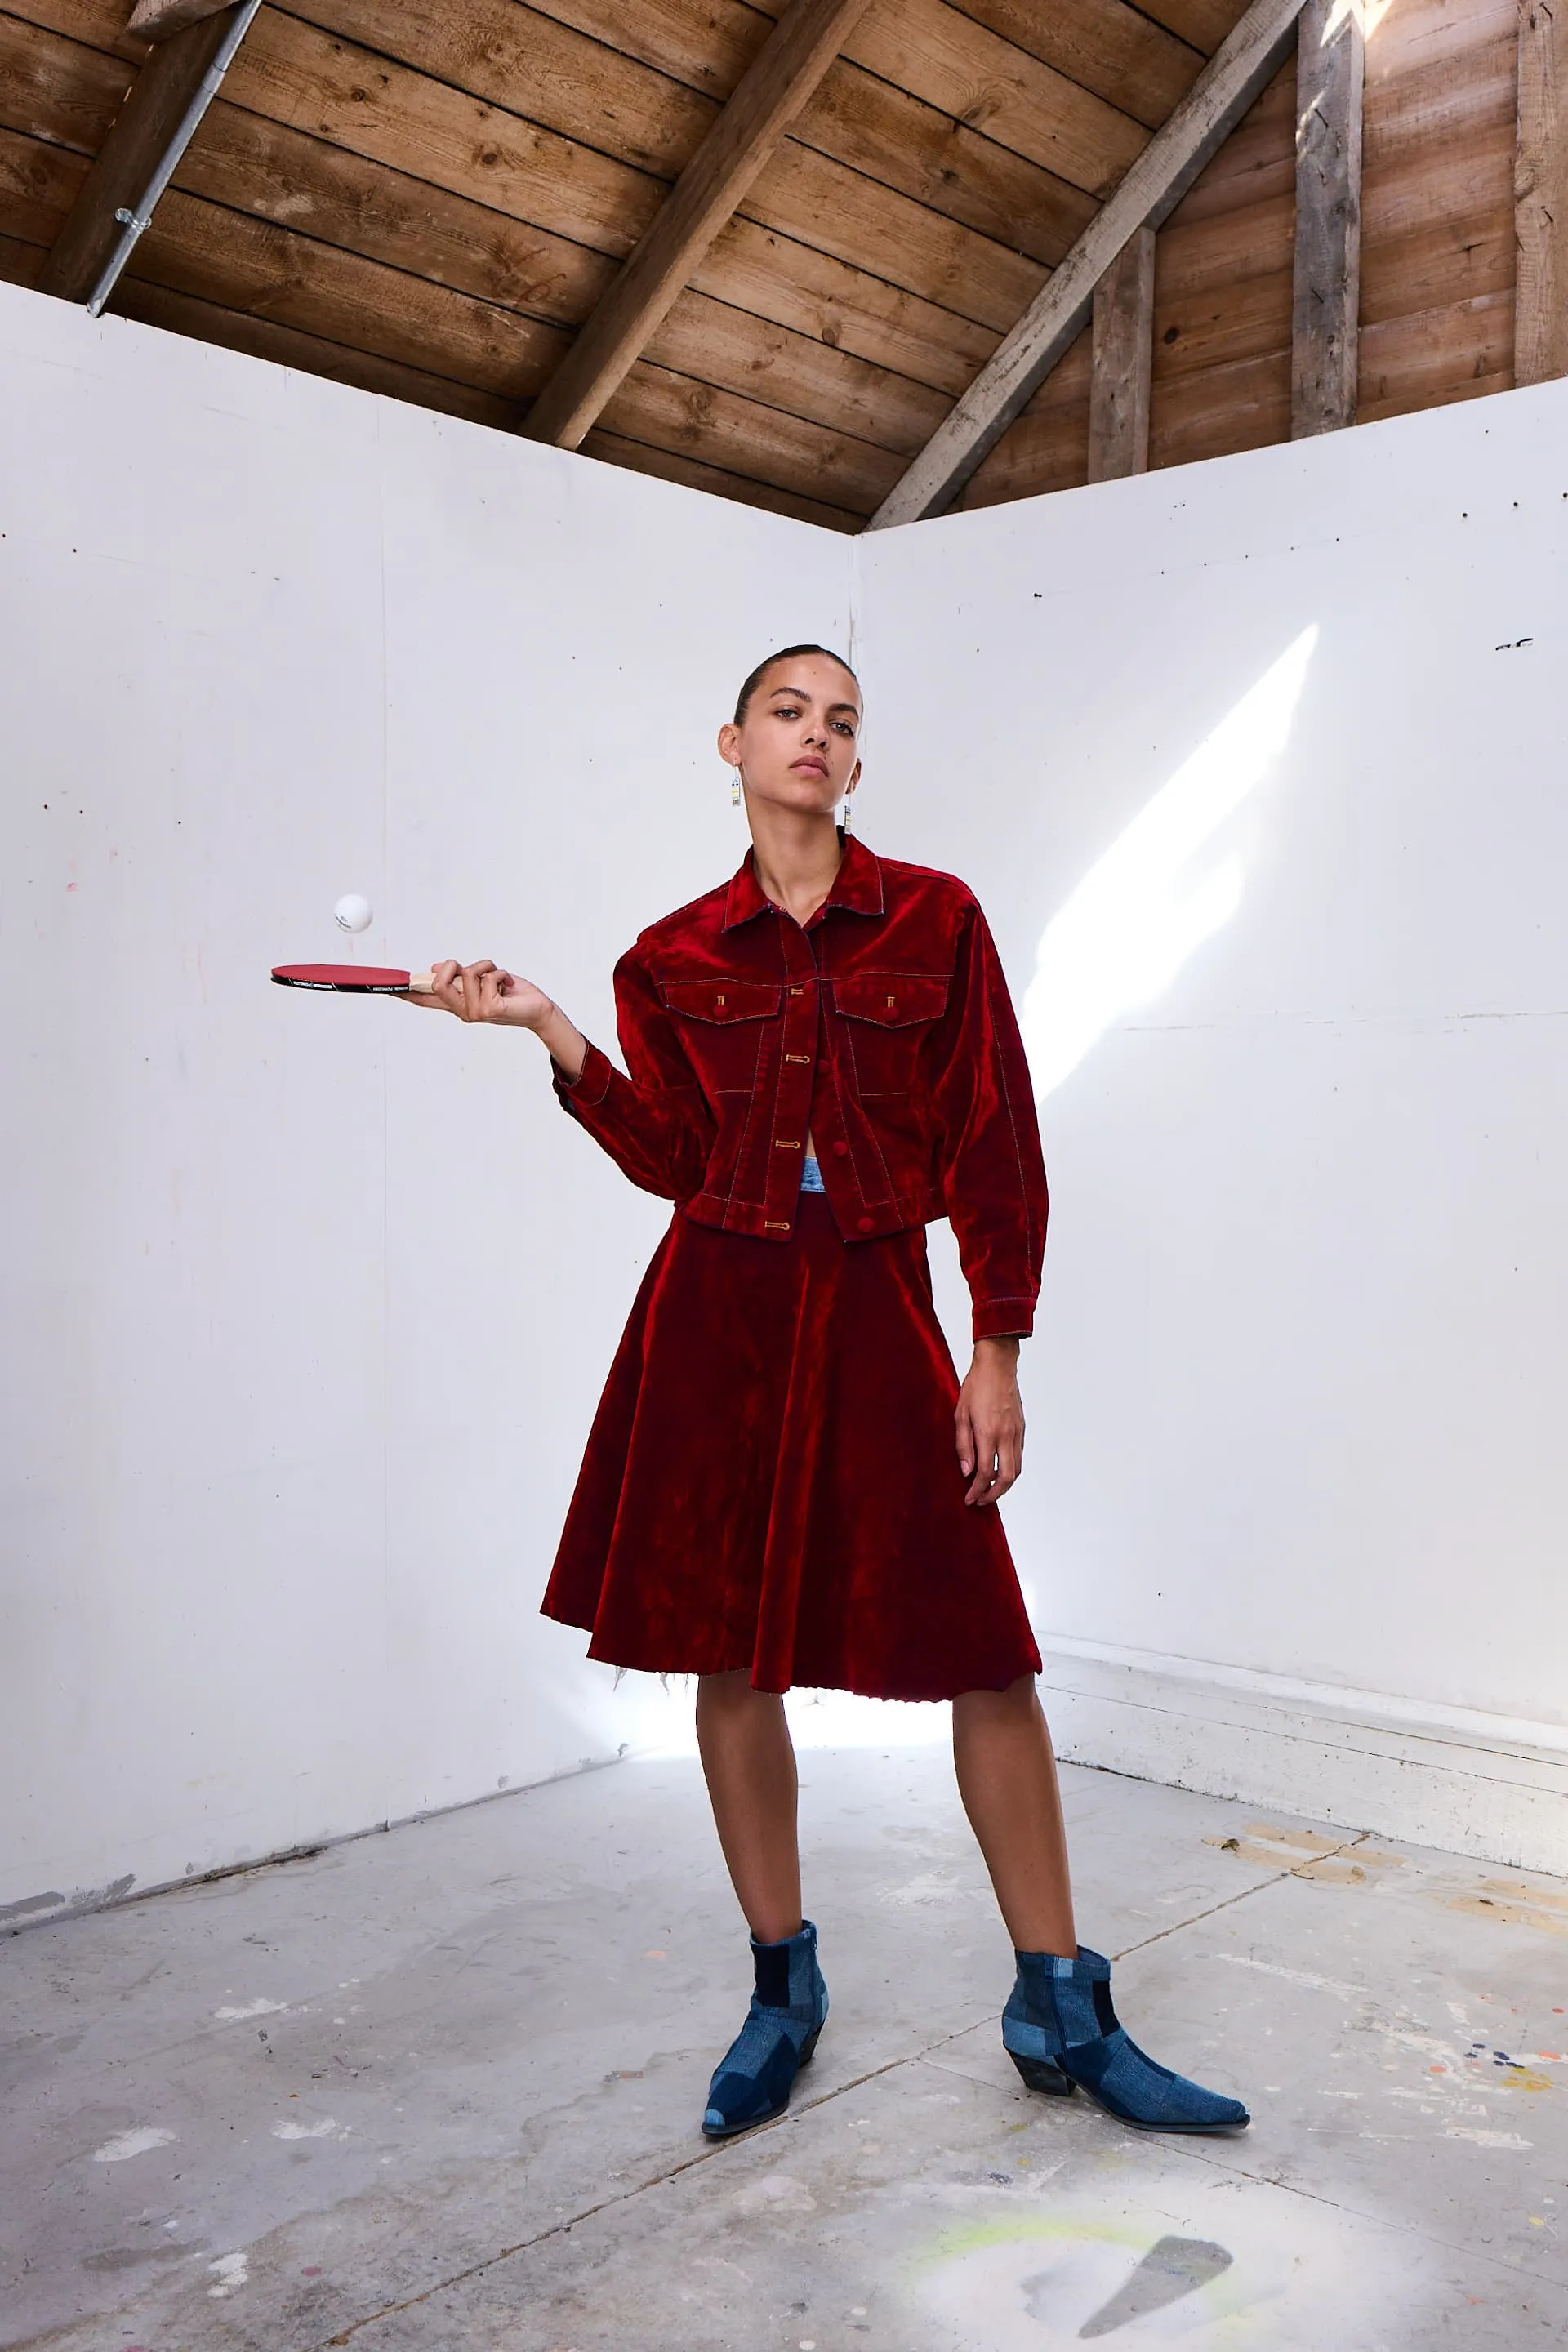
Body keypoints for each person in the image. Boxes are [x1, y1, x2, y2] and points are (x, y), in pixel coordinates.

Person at [406, 644, 1249, 2142]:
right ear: (730, 743)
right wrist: (548, 1028)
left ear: (859, 765)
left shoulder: (937, 917)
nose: (814, 736)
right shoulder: (668, 957)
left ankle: (1059, 2000)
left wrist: (996, 1345)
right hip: (712, 1311)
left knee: (986, 1653)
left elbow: (995, 1139)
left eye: (840, 721)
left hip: (875, 1302)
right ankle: (782, 1987)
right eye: (788, 713)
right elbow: (672, 1156)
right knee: (729, 1657)